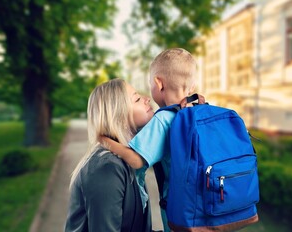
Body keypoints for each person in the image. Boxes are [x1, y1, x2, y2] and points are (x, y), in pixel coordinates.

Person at [99, 48, 198, 232]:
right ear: (192, 86)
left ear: (158, 83)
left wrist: (105, 140)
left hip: (183, 214)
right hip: (207, 209)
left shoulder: (164, 119)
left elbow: (136, 160)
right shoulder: (200, 110)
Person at [64, 78, 154, 232]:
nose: (147, 99)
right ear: (118, 115)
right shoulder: (107, 168)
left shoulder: (128, 158)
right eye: (137, 99)